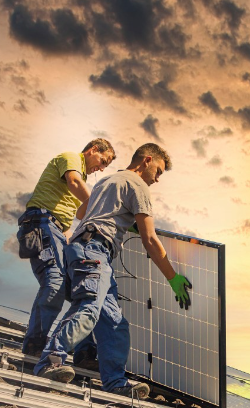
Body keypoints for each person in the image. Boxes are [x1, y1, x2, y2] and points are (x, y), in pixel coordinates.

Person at [32, 143, 192, 399]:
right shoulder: (138, 185)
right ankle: (49, 362)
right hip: (94, 252)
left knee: (115, 323)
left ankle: (115, 381)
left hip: (87, 250)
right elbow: (149, 239)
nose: (158, 179)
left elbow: (82, 212)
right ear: (147, 160)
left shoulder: (107, 180)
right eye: (158, 171)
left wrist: (112, 216)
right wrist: (173, 278)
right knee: (88, 310)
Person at [17, 138, 116, 357]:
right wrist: (101, 204)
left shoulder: (83, 180)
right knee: (54, 283)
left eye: (105, 167)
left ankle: (84, 351)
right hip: (42, 222)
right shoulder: (71, 158)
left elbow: (79, 215)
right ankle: (34, 347)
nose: (100, 168)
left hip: (57, 230)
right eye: (102, 161)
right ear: (92, 150)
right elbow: (73, 182)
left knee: (80, 290)